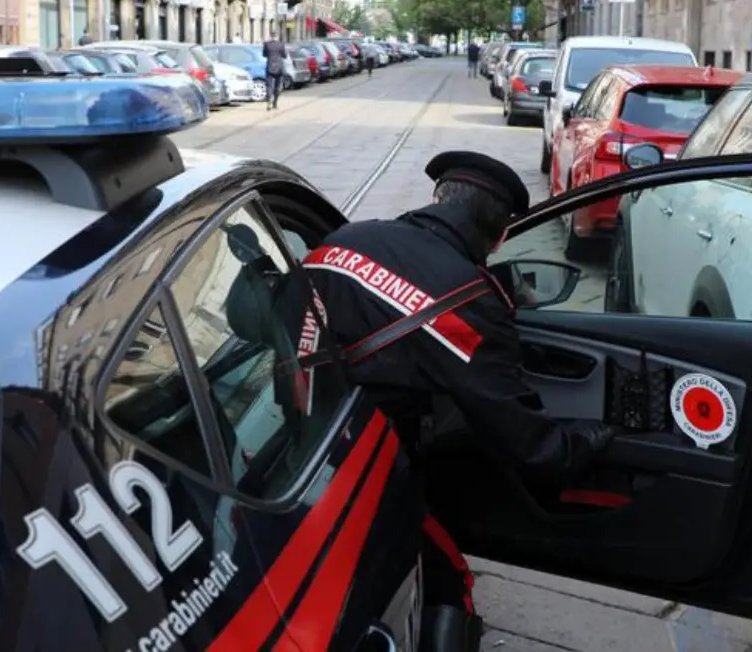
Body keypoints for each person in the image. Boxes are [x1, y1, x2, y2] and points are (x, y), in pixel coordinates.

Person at [238, 151, 626, 652]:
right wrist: (585, 442)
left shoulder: (345, 239)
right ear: (500, 235)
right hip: (356, 474)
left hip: (288, 444)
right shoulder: (468, 300)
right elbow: (527, 443)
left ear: (439, 199)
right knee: (450, 582)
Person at [261, 30, 286, 110]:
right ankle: (275, 103)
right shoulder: (281, 44)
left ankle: (268, 102)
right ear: (277, 36)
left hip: (270, 67)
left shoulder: (266, 44)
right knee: (278, 86)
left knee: (269, 86)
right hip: (279, 67)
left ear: (270, 35)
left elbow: (264, 54)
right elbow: (284, 55)